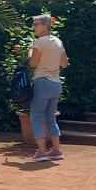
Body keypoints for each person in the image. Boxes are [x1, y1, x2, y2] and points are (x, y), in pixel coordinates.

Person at [27, 15, 69, 162]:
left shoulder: (39, 42)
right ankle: (56, 150)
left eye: (36, 24)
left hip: (42, 81)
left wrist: (30, 52)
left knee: (36, 116)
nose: (34, 27)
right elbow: (64, 64)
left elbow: (32, 64)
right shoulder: (58, 41)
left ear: (45, 25)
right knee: (50, 117)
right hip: (56, 83)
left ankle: (42, 151)